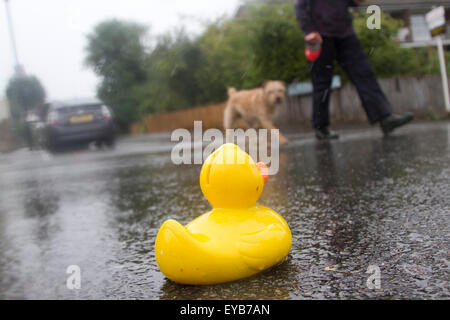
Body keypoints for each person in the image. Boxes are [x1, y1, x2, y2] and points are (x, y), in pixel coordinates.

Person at [294, 0, 413, 140]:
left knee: (364, 73)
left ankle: (385, 117)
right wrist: (308, 30)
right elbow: (300, 5)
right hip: (319, 36)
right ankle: (322, 128)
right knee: (321, 83)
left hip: (345, 33)